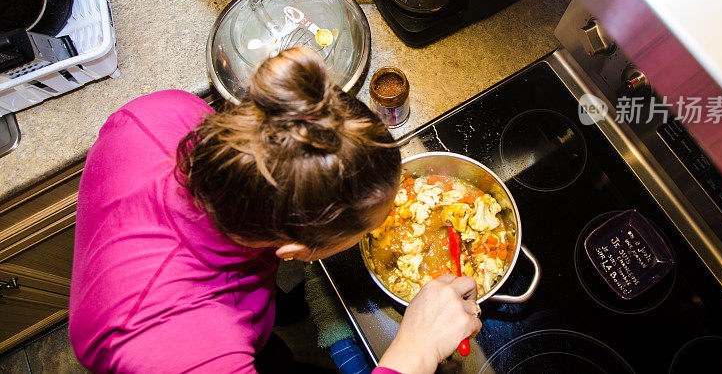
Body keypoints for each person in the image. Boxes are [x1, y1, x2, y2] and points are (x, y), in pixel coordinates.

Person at [69, 47, 481, 373]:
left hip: (225, 298)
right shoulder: (194, 349)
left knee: (275, 347)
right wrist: (418, 349)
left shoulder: (166, 111)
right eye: (366, 230)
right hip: (148, 333)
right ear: (296, 251)